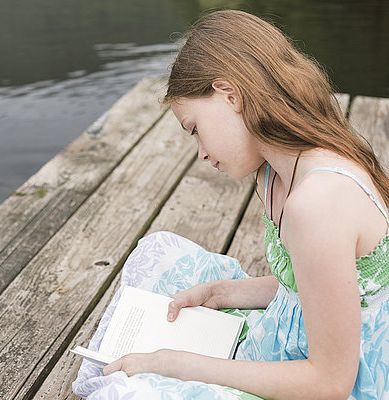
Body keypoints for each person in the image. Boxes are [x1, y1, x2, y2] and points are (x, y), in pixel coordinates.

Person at [72, 9, 389, 400]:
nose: (201, 153)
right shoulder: (274, 171)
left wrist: (184, 366)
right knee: (156, 253)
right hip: (305, 338)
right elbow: (318, 286)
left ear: (230, 95)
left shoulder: (318, 202)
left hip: (339, 378)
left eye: (195, 130)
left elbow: (330, 383)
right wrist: (222, 293)